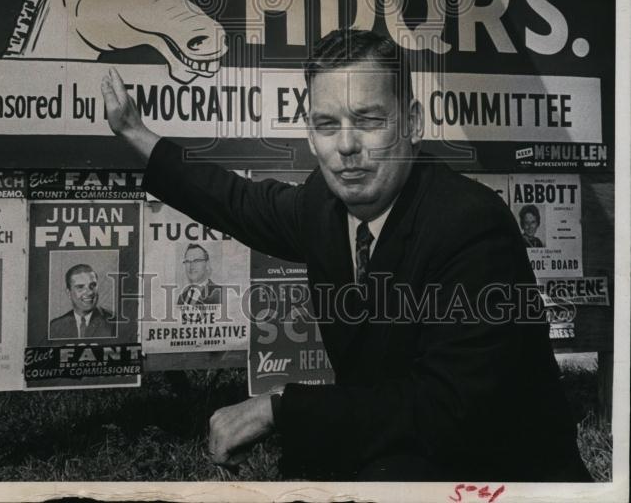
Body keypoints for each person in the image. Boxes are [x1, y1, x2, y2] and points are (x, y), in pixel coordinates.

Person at [101, 29, 591, 483]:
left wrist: (279, 409)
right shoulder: (324, 203)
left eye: (369, 120)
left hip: (503, 471)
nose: (347, 146)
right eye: (327, 124)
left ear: (414, 123)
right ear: (310, 135)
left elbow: (447, 411)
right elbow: (239, 203)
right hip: (394, 444)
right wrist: (135, 133)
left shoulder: (470, 226)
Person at [49, 263, 115, 340]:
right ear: (68, 292)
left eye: (93, 285)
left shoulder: (115, 323)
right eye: (80, 287)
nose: (89, 292)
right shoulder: (56, 327)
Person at [177, 243, 224, 307]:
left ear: (207, 264)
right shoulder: (181, 298)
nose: (191, 266)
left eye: (196, 261)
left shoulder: (220, 293)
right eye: (187, 261)